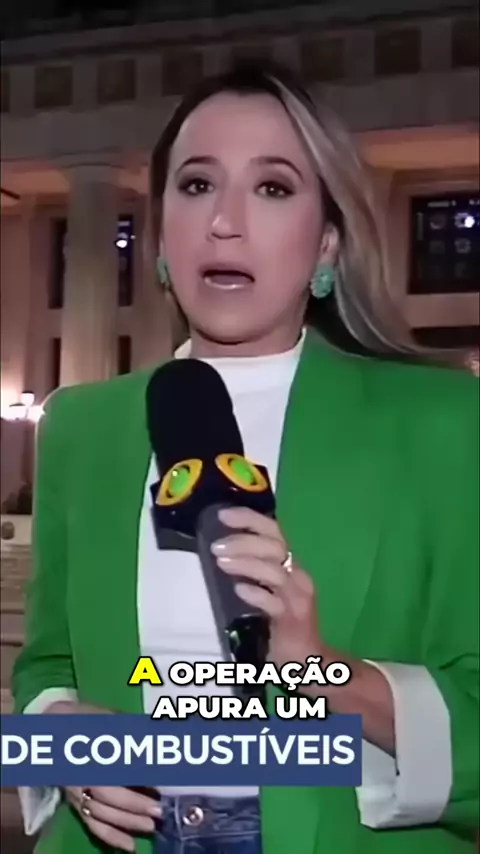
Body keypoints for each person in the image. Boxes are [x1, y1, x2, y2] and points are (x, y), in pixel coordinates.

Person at [12, 62, 479, 854]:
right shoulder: (82, 427)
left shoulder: (442, 422)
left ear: (327, 241)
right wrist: (69, 743)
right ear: (161, 234)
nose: (225, 222)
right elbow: (45, 667)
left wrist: (323, 670)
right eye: (197, 185)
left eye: (272, 188)